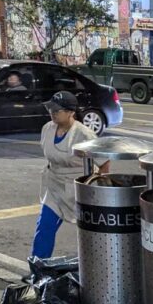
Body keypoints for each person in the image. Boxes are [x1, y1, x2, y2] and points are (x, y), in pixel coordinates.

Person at [31, 91, 106, 259]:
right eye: (51, 109)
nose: (52, 113)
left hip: (79, 187)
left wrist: (98, 188)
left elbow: (104, 163)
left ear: (71, 112)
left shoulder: (84, 134)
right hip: (53, 183)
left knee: (89, 231)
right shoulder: (47, 128)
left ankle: (94, 265)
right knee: (44, 226)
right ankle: (37, 268)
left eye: (57, 110)